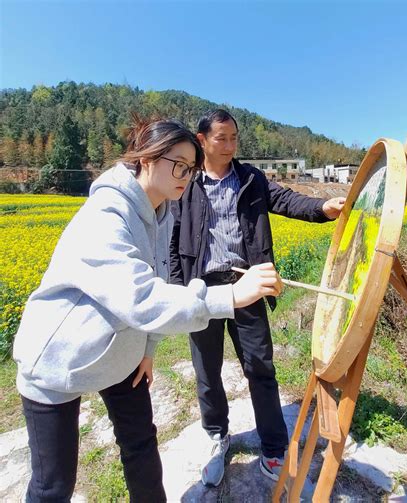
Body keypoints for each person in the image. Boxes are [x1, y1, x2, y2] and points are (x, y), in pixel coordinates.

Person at [13, 115, 283, 503]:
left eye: (190, 169)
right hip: (58, 361)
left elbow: (159, 282)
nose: (185, 176)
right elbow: (139, 297)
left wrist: (148, 349)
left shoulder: (163, 214)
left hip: (121, 355)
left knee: (141, 449)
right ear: (147, 158)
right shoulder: (106, 215)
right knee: (53, 485)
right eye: (177, 165)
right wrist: (231, 297)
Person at [169, 109, 345, 492]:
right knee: (207, 370)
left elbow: (286, 200)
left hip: (248, 284)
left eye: (234, 138)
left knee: (260, 368)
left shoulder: (250, 178)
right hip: (203, 290)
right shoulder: (187, 183)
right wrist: (178, 288)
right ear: (202, 141)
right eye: (222, 138)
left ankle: (274, 447)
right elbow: (173, 238)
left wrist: (322, 208)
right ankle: (217, 436)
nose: (230, 145)